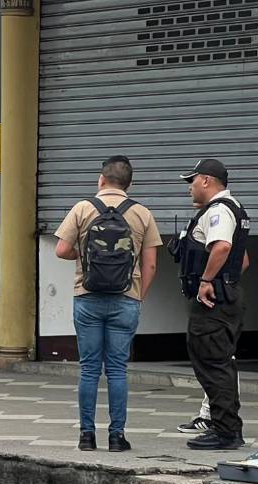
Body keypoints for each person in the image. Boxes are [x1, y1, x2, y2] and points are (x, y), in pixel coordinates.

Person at [53, 156, 161, 452]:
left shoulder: (83, 208)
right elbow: (151, 265)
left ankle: (86, 436)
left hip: (87, 297)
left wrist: (83, 254)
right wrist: (138, 296)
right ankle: (117, 437)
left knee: (89, 369)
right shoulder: (142, 213)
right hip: (126, 299)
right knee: (117, 370)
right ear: (129, 184)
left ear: (101, 180)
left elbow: (61, 249)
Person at [171, 159, 251, 450]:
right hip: (224, 298)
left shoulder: (218, 211)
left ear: (206, 180)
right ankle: (225, 427)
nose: (190, 187)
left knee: (213, 364)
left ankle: (226, 432)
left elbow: (223, 247)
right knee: (219, 363)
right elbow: (242, 260)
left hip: (213, 303)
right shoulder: (232, 209)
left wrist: (208, 281)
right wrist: (226, 281)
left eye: (192, 181)